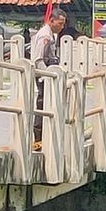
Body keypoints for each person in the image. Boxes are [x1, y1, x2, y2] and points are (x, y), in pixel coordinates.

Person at [31, 8, 66, 150]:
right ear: (51, 21)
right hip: (43, 75)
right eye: (60, 23)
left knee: (50, 104)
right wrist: (47, 75)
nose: (62, 26)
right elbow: (38, 59)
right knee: (42, 104)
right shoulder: (44, 36)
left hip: (50, 71)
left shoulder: (52, 34)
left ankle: (47, 136)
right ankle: (38, 138)